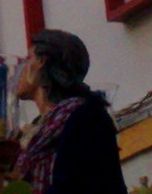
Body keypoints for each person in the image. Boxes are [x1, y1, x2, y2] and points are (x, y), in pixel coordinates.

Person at [15, 29, 128, 194]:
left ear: (41, 61)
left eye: (27, 59)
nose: (20, 69)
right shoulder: (36, 133)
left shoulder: (86, 118)